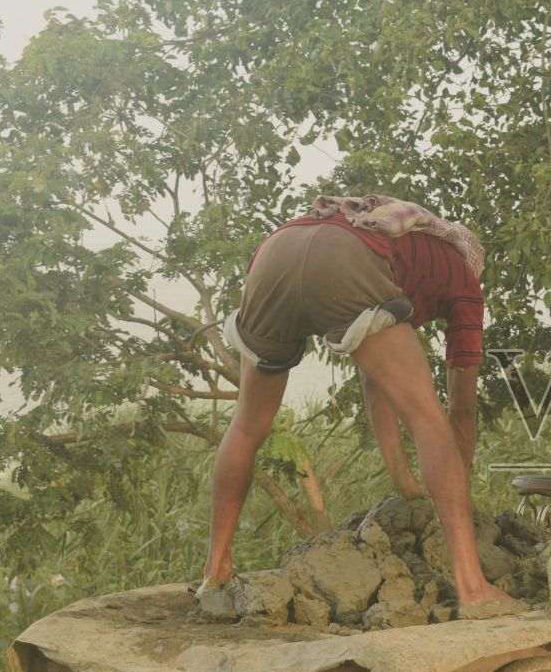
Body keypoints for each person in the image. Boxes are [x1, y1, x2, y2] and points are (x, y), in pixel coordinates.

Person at [199, 194, 525, 619]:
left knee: (247, 424)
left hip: (275, 252)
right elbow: (461, 408)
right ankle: (472, 586)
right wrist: (457, 481)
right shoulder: (463, 280)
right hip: (344, 258)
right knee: (429, 418)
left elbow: (377, 379)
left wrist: (404, 478)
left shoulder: (400, 241)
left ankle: (215, 572)